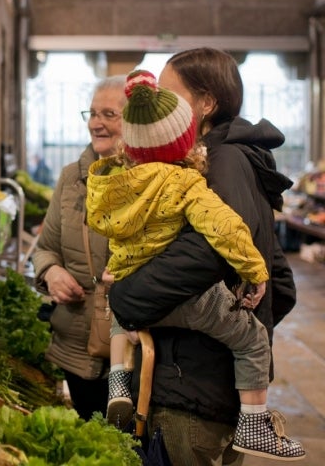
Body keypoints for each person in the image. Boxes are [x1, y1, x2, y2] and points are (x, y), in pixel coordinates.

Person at [86, 70, 304, 461]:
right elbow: (226, 229)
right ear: (182, 140)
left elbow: (107, 229)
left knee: (118, 313)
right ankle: (255, 425)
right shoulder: (185, 184)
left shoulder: (110, 182)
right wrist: (255, 274)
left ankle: (118, 383)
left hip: (137, 288)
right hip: (190, 303)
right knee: (251, 339)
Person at [31, 75, 126, 421]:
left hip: (131, 356)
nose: (97, 123)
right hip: (76, 348)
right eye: (93, 113)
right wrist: (50, 272)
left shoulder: (156, 179)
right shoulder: (72, 179)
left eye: (110, 114)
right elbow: (45, 248)